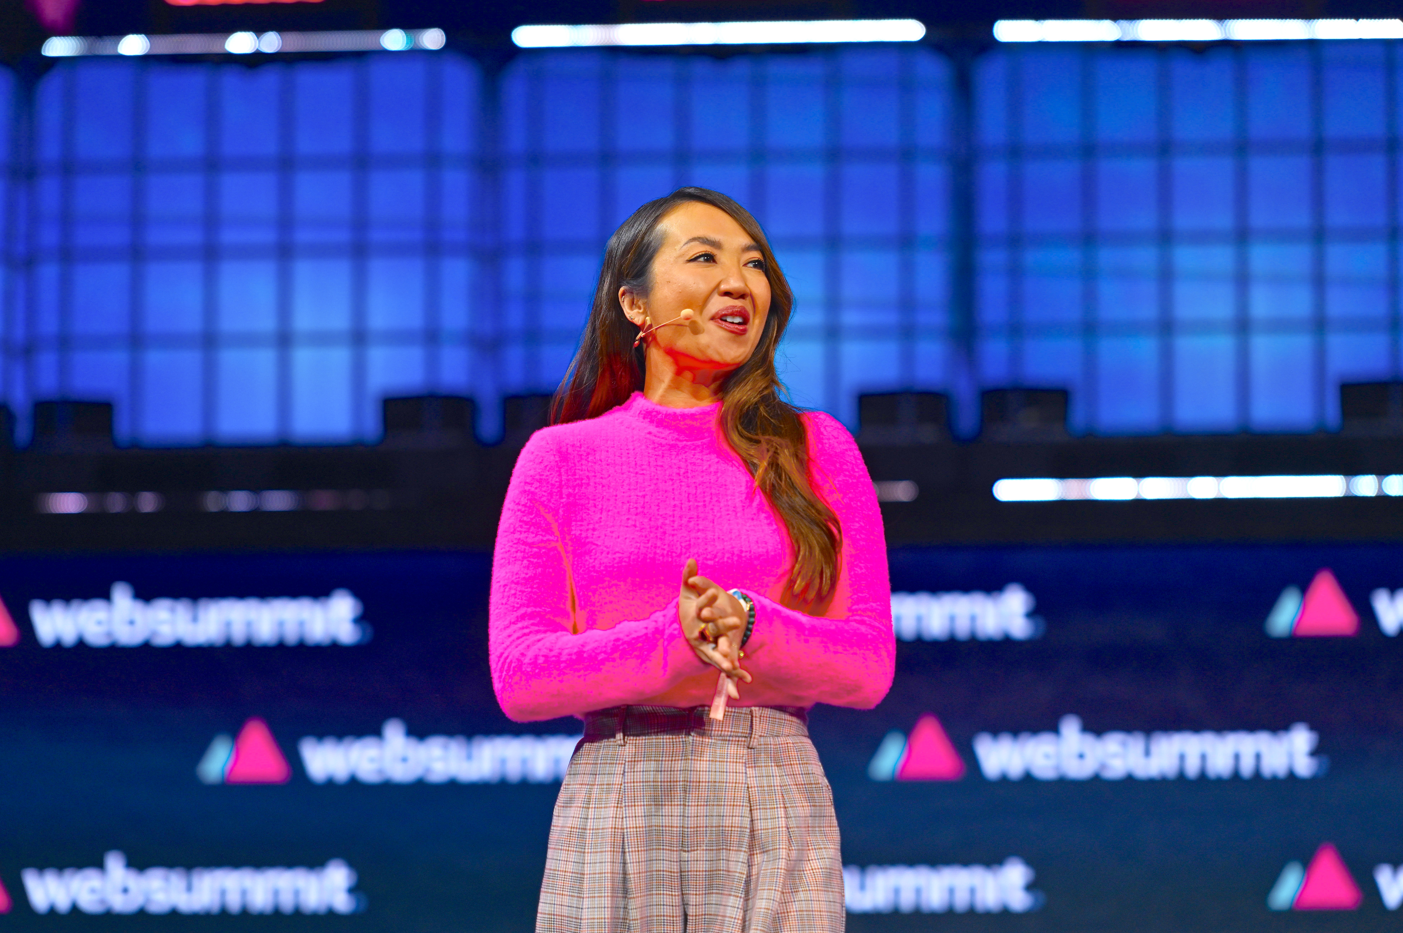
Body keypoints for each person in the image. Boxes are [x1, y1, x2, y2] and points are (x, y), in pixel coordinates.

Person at [489, 186, 895, 933]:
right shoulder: (561, 459)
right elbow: (520, 675)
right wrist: (670, 644)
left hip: (771, 790)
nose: (738, 281)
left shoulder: (816, 449)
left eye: (753, 264)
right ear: (635, 304)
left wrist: (747, 622)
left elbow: (866, 664)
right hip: (617, 790)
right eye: (703, 257)